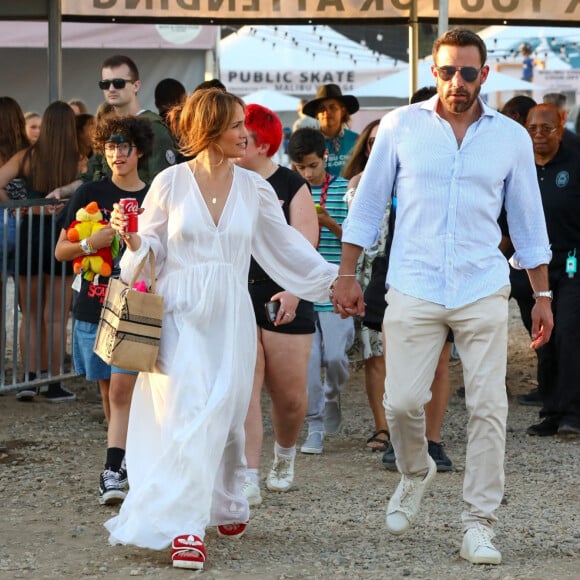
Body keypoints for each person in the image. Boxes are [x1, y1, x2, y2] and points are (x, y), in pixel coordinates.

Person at [331, 28, 553, 565]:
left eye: (469, 72)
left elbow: (527, 219)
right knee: (402, 401)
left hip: (481, 285)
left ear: (485, 74)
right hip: (415, 281)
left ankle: (478, 523)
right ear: (434, 72)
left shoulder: (510, 137)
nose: (458, 81)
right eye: (449, 71)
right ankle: (414, 469)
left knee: (490, 407)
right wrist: (346, 272)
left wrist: (542, 293)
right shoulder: (400, 127)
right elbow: (367, 205)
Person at [105, 89, 338, 571]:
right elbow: (149, 248)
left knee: (228, 408)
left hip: (231, 310)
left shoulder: (255, 189)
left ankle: (229, 498)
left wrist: (335, 283)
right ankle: (186, 526)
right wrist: (131, 237)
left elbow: (287, 247)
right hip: (178, 312)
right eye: (235, 125)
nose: (245, 134)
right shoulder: (169, 182)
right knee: (187, 411)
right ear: (209, 130)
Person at [55, 115, 153, 505]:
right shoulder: (88, 193)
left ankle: (114, 469)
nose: (117, 154)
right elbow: (61, 250)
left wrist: (133, 239)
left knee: (125, 387)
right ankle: (124, 463)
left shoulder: (155, 195)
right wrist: (89, 244)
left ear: (139, 150)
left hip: (134, 304)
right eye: (111, 147)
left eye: (124, 146)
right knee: (109, 390)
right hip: (92, 304)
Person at [236, 104, 318, 506]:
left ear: (263, 145)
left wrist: (294, 290)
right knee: (246, 388)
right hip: (239, 292)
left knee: (289, 397)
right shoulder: (228, 182)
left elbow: (305, 243)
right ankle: (248, 472)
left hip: (285, 292)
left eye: (243, 135)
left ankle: (284, 454)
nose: (235, 141)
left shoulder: (290, 184)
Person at [0, 101, 82, 402]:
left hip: (30, 234)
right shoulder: (79, 160)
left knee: (30, 314)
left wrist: (17, 204)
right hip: (63, 235)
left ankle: (27, 380)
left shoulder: (27, 156)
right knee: (57, 316)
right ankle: (54, 382)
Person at [288, 128, 354, 455]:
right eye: (300, 168)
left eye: (312, 166)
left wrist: (329, 224)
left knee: (337, 358)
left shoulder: (343, 191)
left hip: (335, 287)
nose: (307, 173)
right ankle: (314, 425)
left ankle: (332, 396)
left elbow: (359, 244)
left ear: (325, 157)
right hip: (301, 288)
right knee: (309, 362)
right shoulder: (289, 192)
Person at [524, 103, 580, 438]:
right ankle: (552, 410)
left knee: (569, 334)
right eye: (533, 128)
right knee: (542, 339)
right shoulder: (520, 170)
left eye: (547, 128)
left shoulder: (575, 165)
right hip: (534, 269)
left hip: (573, 264)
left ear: (561, 127)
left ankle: (573, 413)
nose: (539, 135)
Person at [302, 84, 359, 176]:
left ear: (343, 111)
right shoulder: (307, 142)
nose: (327, 112)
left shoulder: (357, 140)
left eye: (332, 107)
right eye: (322, 108)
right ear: (317, 114)